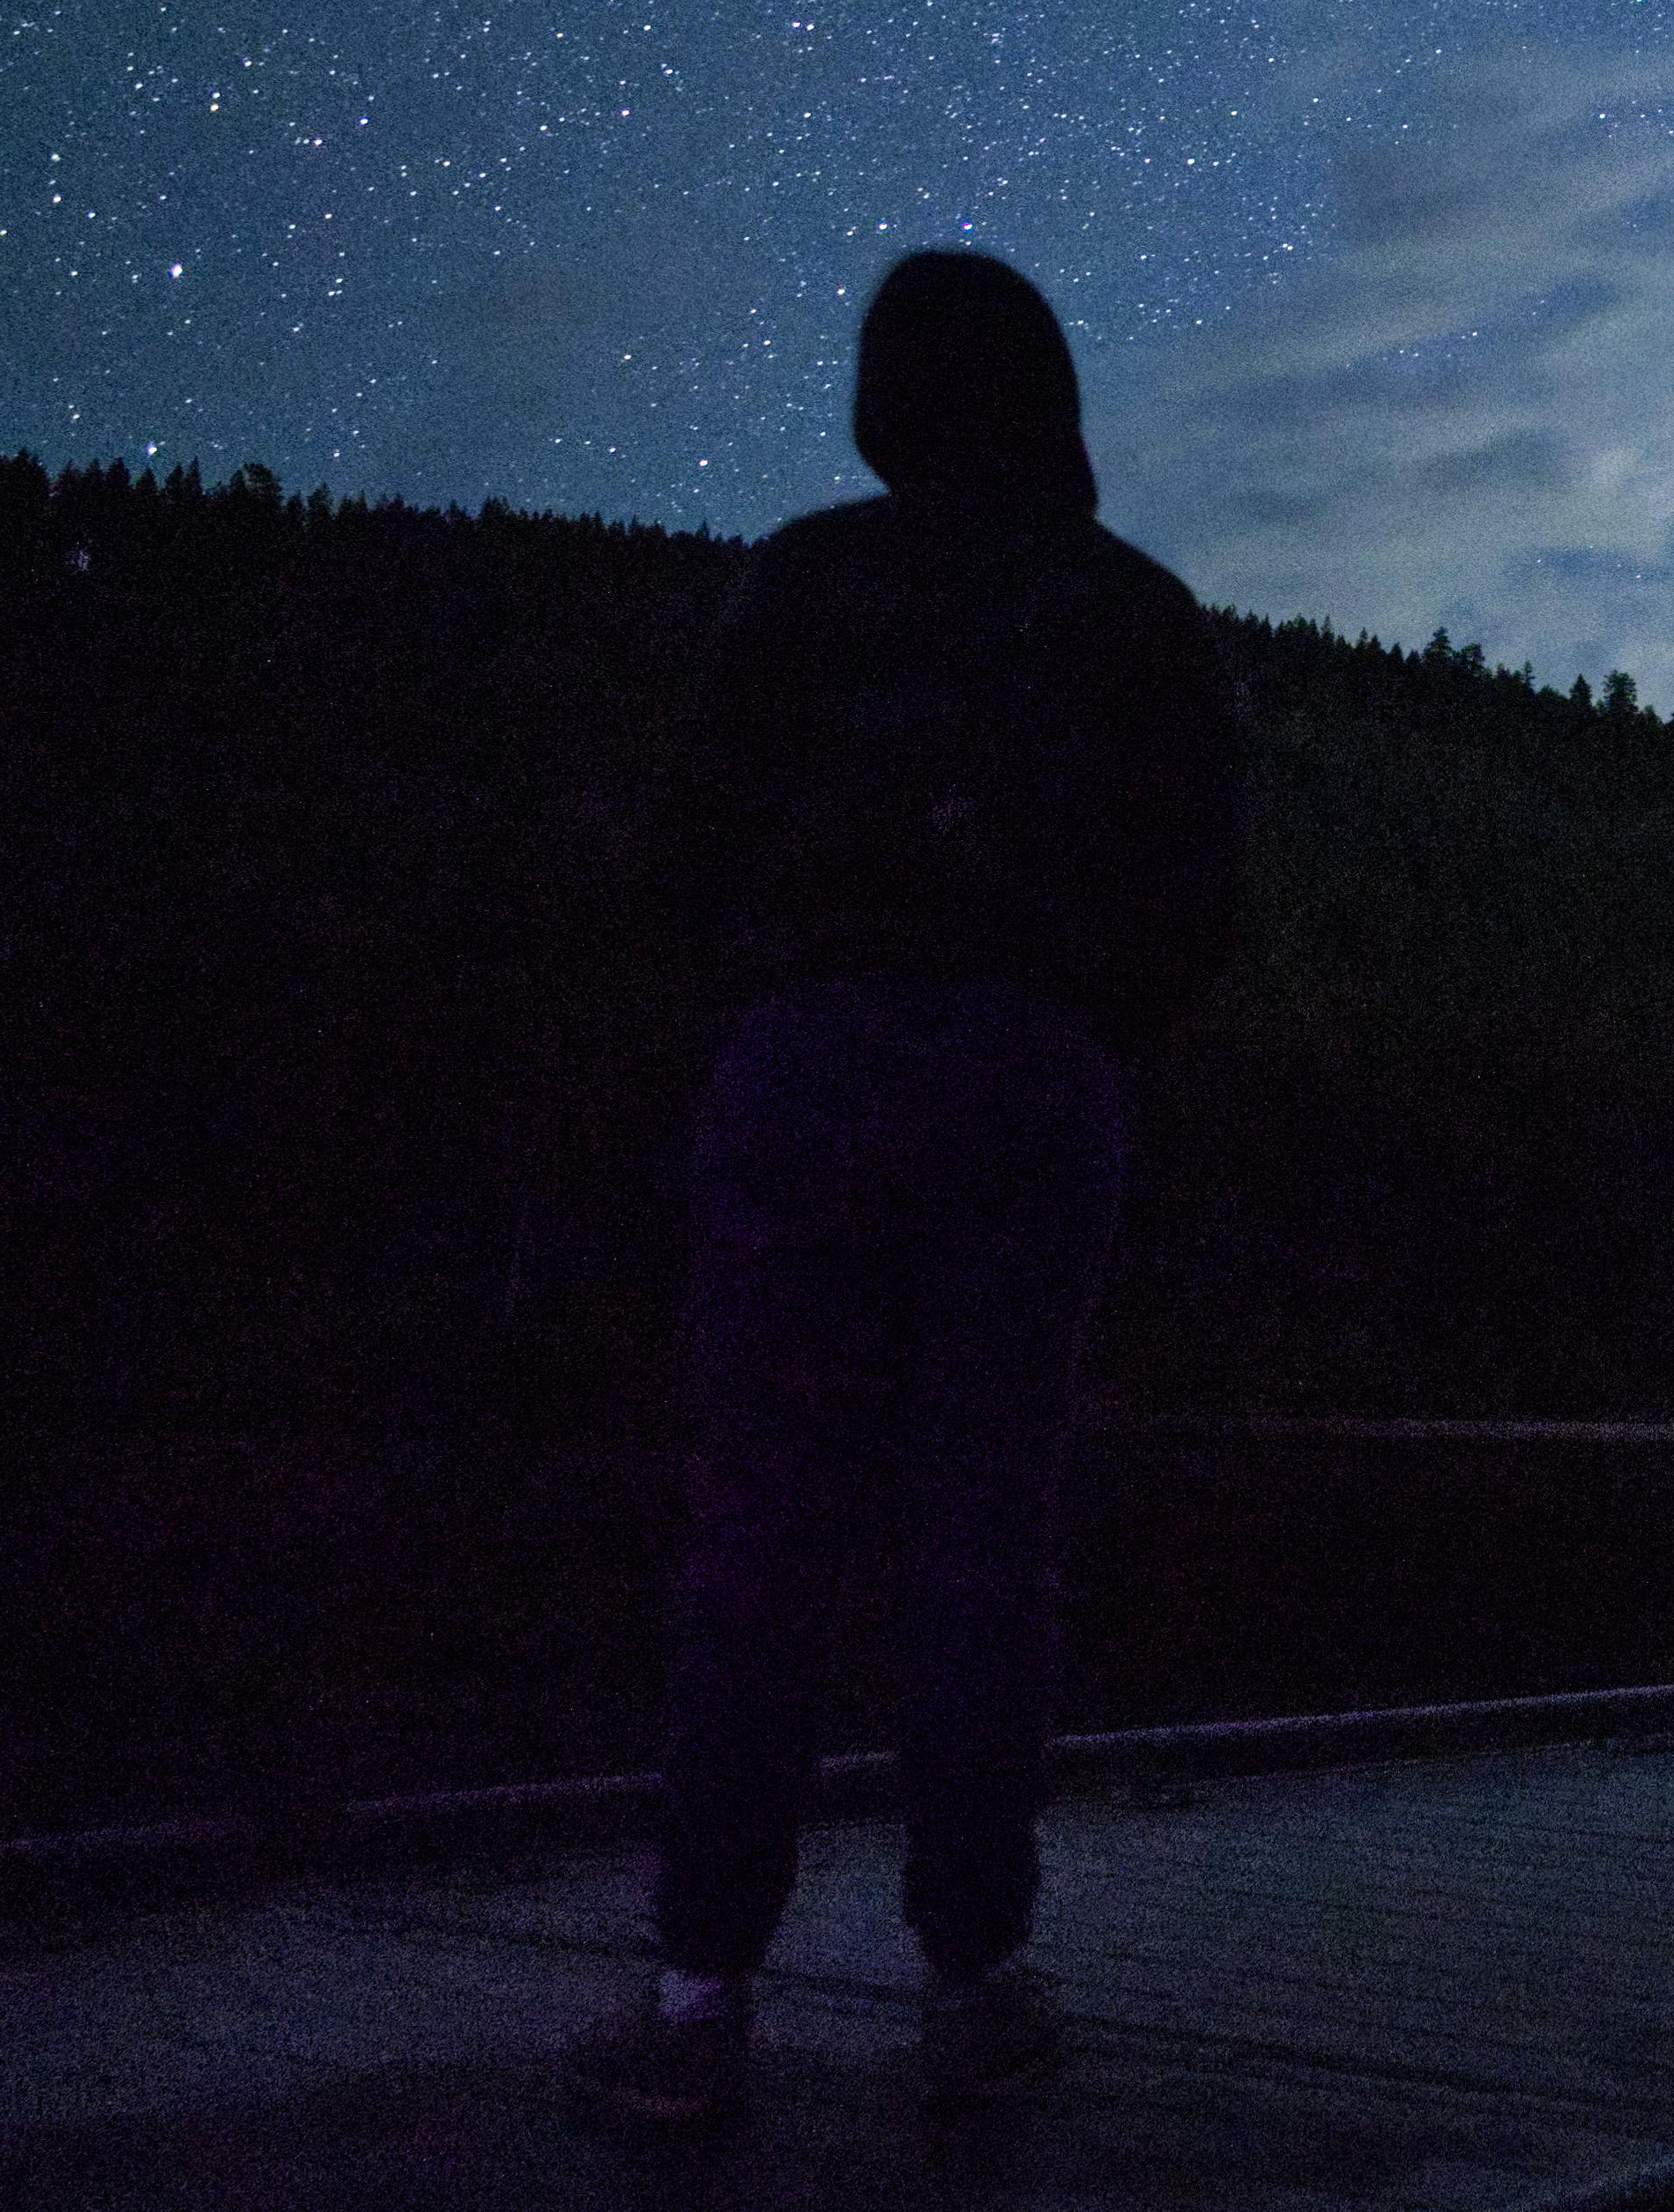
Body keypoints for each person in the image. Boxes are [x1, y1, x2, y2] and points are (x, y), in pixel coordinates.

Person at [563, 249, 1249, 2125]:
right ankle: (973, 1969)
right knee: (983, 1526)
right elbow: (1203, 891)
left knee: (763, 1520)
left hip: (808, 1055)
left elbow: (677, 848)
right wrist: (1078, 1005)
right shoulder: (1134, 613)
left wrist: (783, 966)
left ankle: (698, 1990)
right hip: (1029, 1073)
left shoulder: (801, 583)